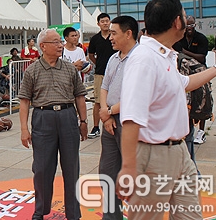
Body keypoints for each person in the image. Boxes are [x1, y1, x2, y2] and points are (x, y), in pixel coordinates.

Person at [116, 0, 216, 219]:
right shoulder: (144, 59)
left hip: (179, 152)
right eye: (183, 14)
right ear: (177, 22)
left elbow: (185, 83)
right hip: (153, 157)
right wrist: (129, 168)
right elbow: (131, 116)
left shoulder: (164, 56)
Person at [19, 29, 88, 220]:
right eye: (56, 42)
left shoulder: (69, 68)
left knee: (71, 167)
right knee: (41, 168)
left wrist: (83, 121)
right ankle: (40, 210)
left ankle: (73, 214)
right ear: (43, 47)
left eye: (60, 42)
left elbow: (79, 96)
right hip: (43, 119)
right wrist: (24, 129)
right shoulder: (32, 70)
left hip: (67, 117)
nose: (60, 45)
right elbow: (24, 101)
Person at [98, 16, 138, 220]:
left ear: (128, 33)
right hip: (110, 119)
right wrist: (106, 114)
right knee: (107, 172)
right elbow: (104, 87)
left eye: (114, 33)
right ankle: (111, 216)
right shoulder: (114, 58)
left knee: (133, 176)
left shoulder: (140, 59)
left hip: (129, 121)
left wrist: (110, 111)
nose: (110, 37)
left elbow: (137, 96)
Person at [173, 15, 210, 145]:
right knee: (187, 101)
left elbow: (201, 58)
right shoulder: (180, 38)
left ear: (195, 25)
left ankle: (201, 131)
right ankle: (188, 127)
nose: (189, 28)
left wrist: (185, 52)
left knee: (202, 99)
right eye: (187, 25)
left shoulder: (201, 38)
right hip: (184, 72)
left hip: (199, 71)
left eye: (191, 25)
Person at [87, 12, 117, 139]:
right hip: (100, 73)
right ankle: (95, 127)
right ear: (98, 24)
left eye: (107, 21)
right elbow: (91, 55)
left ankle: (116, 124)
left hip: (116, 73)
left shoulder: (114, 36)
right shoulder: (95, 39)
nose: (105, 23)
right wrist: (98, 63)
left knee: (115, 99)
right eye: (103, 21)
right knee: (98, 101)